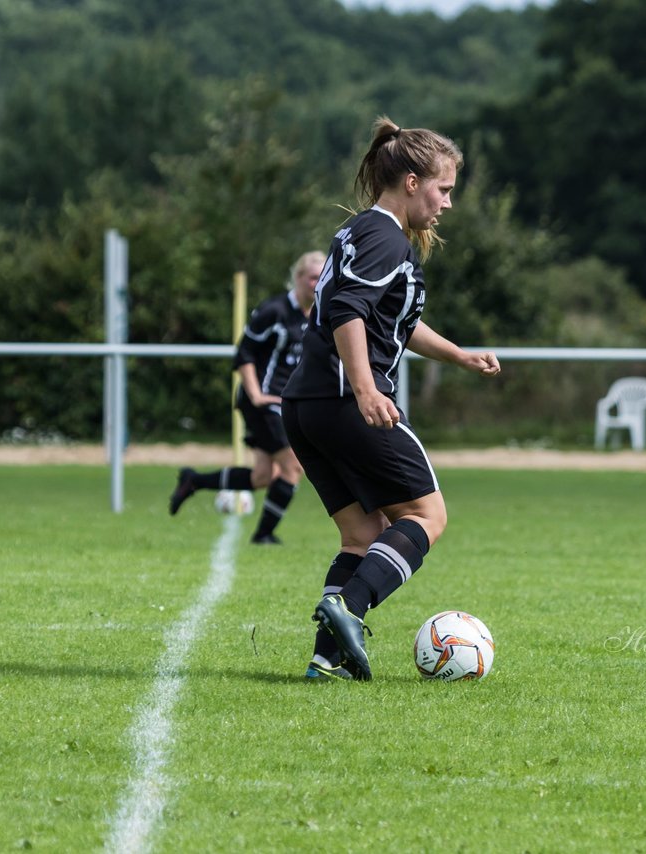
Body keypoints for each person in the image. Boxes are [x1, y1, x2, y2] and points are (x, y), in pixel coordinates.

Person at [281, 117, 501, 681]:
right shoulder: (383, 236)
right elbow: (348, 310)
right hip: (345, 402)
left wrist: (457, 355)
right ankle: (348, 609)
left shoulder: (364, 233)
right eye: (443, 188)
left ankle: (325, 659)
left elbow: (395, 323)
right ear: (410, 181)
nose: (448, 202)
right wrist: (366, 388)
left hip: (306, 406)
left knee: (362, 534)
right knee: (428, 515)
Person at [168, 251, 326, 545]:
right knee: (293, 467)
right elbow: (245, 353)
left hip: (285, 403)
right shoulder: (274, 310)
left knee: (262, 477)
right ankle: (264, 535)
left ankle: (194, 481)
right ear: (299, 278)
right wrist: (256, 394)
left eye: (322, 277)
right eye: (313, 277)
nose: (317, 284)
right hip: (263, 402)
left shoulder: (317, 316)